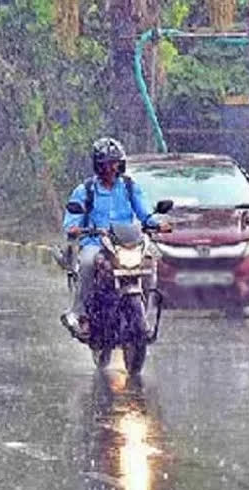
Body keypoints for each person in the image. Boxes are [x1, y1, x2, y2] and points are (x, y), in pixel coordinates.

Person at [60, 137, 170, 339]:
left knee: (149, 263)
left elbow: (145, 213)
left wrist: (158, 222)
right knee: (86, 263)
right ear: (97, 166)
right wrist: (76, 229)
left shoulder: (129, 187)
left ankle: (145, 313)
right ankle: (81, 316)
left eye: (115, 163)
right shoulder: (85, 190)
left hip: (126, 243)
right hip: (96, 243)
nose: (111, 169)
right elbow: (71, 221)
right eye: (106, 164)